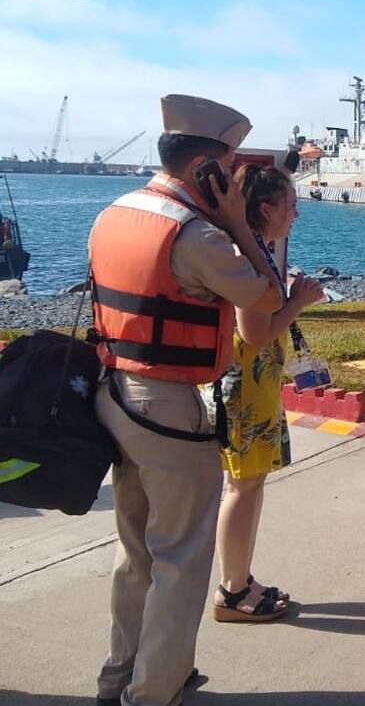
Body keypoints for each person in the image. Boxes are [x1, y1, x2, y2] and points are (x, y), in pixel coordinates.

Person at [89, 95, 284, 706]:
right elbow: (266, 299)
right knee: (180, 559)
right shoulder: (196, 235)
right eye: (225, 169)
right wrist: (234, 224)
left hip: (115, 393)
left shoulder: (116, 211)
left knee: (137, 554)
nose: (232, 181)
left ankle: (122, 674)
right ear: (205, 167)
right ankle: (153, 692)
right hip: (167, 405)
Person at [209, 165, 326, 622]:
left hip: (256, 385)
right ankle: (232, 590)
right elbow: (254, 333)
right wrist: (298, 300)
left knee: (249, 485)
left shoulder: (254, 249)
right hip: (247, 388)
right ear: (266, 209)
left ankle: (240, 578)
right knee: (242, 486)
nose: (296, 212)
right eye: (290, 204)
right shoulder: (246, 254)